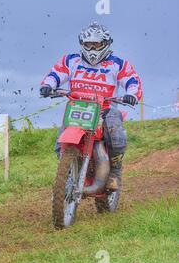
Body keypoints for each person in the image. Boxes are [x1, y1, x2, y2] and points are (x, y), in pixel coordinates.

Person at [40, 21, 143, 190]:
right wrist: (48, 85)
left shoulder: (118, 64)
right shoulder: (71, 61)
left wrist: (131, 95)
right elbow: (55, 74)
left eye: (97, 44)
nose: (93, 49)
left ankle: (115, 173)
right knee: (60, 144)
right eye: (89, 44)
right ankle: (67, 174)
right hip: (77, 107)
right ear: (82, 44)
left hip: (105, 109)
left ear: (106, 44)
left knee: (115, 136)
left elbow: (133, 81)